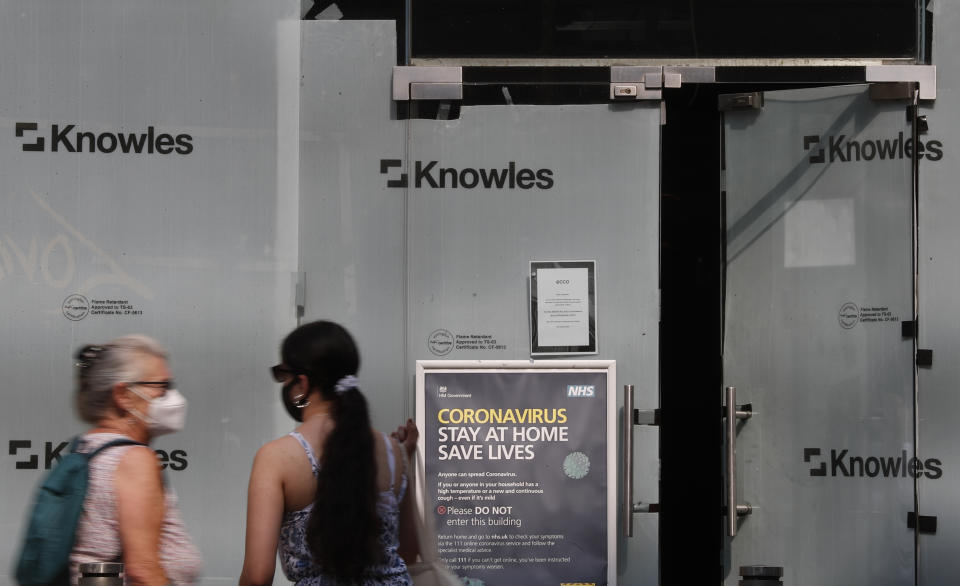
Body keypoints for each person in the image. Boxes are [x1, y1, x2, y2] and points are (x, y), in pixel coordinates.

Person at [239, 320, 418, 586]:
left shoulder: (277, 458)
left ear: (301, 383)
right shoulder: (394, 454)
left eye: (283, 376)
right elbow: (408, 552)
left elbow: (257, 577)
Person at [70, 334, 202, 585]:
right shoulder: (133, 460)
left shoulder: (88, 447)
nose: (173, 398)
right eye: (162, 387)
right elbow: (143, 571)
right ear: (124, 395)